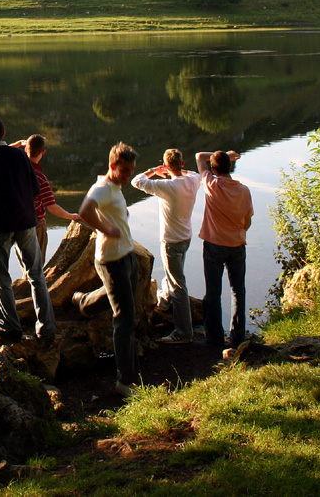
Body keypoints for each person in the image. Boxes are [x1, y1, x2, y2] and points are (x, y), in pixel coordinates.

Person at [0, 115, 55, 344]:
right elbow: (35, 188)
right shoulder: (20, 156)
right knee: (37, 275)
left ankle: (10, 328)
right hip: (26, 222)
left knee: (2, 279)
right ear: (4, 133)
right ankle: (46, 329)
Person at [72, 142, 140, 396]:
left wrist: (118, 223)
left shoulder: (114, 186)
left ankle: (84, 304)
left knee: (122, 305)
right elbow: (85, 211)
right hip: (112, 261)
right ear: (113, 166)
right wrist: (107, 229)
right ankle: (126, 381)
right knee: (124, 321)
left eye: (131, 171)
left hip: (127, 257)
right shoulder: (102, 188)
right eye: (124, 171)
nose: (128, 175)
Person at [131, 148, 200, 344]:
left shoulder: (167, 186)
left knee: (179, 284)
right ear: (183, 163)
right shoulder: (193, 180)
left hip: (171, 240)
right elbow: (193, 173)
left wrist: (154, 170)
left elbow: (137, 181)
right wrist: (174, 170)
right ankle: (164, 301)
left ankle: (183, 332)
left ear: (166, 166)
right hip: (186, 238)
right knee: (174, 276)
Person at [194, 149, 254, 354]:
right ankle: (237, 336)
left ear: (213, 168)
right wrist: (228, 157)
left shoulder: (210, 184)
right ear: (230, 167)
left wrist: (225, 154)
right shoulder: (244, 190)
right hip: (237, 245)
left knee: (213, 292)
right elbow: (247, 221)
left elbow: (199, 156)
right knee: (238, 291)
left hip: (213, 245)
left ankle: (214, 337)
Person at [11, 134, 81, 263]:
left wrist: (17, 144)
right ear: (43, 152)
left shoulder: (14, 168)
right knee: (36, 265)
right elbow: (53, 208)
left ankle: (28, 281)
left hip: (15, 223)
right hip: (35, 224)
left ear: (26, 150)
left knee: (25, 263)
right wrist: (72, 216)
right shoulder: (40, 179)